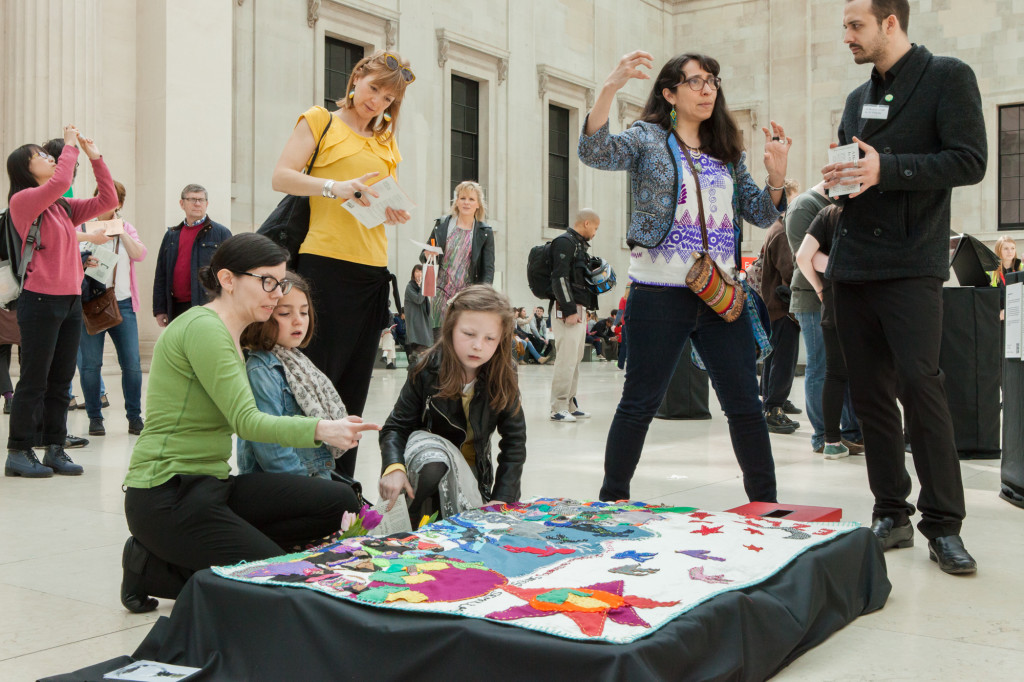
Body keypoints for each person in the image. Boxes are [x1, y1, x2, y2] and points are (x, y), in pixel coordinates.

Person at [120, 234, 376, 612]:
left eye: (281, 282)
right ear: (227, 279)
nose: (275, 294)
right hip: (167, 495)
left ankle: (188, 553)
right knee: (281, 581)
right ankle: (153, 564)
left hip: (211, 484)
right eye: (266, 281)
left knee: (336, 500)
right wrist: (322, 429)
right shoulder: (206, 328)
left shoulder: (231, 334)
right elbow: (247, 421)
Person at [579, 50, 791, 503]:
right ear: (670, 93)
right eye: (694, 81)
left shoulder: (727, 153)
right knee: (639, 404)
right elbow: (595, 151)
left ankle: (766, 504)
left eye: (712, 80)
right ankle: (612, 500)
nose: (707, 88)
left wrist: (776, 177)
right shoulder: (647, 138)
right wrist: (610, 87)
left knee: (745, 406)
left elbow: (761, 211)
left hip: (720, 294)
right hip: (659, 291)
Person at [821, 0, 987, 574]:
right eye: (845, 26)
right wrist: (840, 179)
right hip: (853, 263)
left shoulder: (948, 77)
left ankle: (943, 523)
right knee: (868, 396)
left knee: (922, 387)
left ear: (890, 22)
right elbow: (854, 172)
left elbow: (969, 161)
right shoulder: (854, 99)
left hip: (913, 262)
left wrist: (885, 169)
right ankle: (891, 510)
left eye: (855, 25)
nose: (846, 36)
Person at [271, 50, 413, 477]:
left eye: (388, 99)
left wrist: (392, 209)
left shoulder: (386, 141)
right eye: (374, 90)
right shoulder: (320, 119)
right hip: (323, 266)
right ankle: (305, 482)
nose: (377, 103)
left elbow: (380, 194)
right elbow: (281, 175)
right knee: (316, 382)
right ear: (356, 79)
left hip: (372, 271)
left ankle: (341, 487)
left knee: (354, 387)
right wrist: (336, 186)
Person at [4, 126, 117, 478]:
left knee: (60, 380)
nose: (50, 159)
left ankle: (55, 448)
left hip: (70, 301)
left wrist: (95, 156)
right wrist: (68, 147)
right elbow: (58, 180)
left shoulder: (62, 207)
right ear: (24, 168)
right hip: (39, 300)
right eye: (41, 155)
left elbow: (107, 201)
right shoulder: (22, 201)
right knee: (34, 380)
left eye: (50, 154)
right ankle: (19, 451)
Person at [378, 285, 525, 524]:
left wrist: (503, 498)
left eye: (490, 338)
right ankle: (412, 515)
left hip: (473, 472)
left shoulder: (504, 373)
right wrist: (393, 467)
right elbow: (395, 427)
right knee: (436, 462)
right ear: (450, 329)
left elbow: (514, 441)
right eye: (469, 334)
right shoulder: (426, 368)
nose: (478, 345)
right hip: (427, 466)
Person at [237, 272, 349, 480]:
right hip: (285, 483)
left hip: (312, 474)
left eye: (304, 312)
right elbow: (271, 451)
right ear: (264, 315)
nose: (298, 321)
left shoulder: (296, 361)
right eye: (285, 314)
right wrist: (313, 490)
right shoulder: (262, 370)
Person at [785, 182, 863, 455]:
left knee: (841, 370)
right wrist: (821, 289)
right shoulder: (806, 205)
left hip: (834, 297)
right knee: (822, 368)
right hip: (815, 297)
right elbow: (803, 256)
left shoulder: (833, 209)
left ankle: (848, 433)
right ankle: (823, 436)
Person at [77, 181, 147, 437]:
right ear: (95, 197)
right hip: (89, 304)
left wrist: (121, 231)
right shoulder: (82, 226)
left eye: (113, 199)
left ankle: (134, 417)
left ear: (119, 204)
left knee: (131, 364)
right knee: (90, 365)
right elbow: (66, 256)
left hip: (122, 304)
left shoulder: (127, 227)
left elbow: (139, 254)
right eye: (101, 196)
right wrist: (83, 261)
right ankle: (95, 417)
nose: (106, 202)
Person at [795, 205, 854, 460]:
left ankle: (831, 440)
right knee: (876, 374)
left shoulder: (828, 213)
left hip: (833, 304)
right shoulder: (873, 208)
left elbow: (802, 256)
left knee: (834, 373)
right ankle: (881, 438)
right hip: (869, 304)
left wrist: (820, 289)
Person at [547, 209, 601, 422]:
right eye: (595, 228)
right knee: (566, 359)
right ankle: (558, 406)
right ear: (586, 223)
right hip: (566, 309)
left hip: (579, 308)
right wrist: (569, 311)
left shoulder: (578, 245)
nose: (595, 233)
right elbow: (559, 278)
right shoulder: (565, 242)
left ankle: (569, 402)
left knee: (575, 359)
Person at [152, 184, 231, 326]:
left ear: (207, 204)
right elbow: (161, 274)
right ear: (182, 203)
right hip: (176, 306)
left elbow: (231, 271)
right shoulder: (171, 235)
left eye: (201, 200)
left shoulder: (221, 233)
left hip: (207, 305)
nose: (197, 203)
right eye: (192, 199)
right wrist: (160, 309)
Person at [759, 179, 802, 434]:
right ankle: (774, 408)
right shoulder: (784, 231)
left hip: (772, 305)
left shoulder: (774, 228)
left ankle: (771, 401)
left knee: (773, 357)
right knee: (784, 360)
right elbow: (789, 269)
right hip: (784, 306)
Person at [425, 180, 495, 336]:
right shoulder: (442, 224)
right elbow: (426, 254)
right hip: (440, 293)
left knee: (461, 338)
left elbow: (488, 269)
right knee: (439, 340)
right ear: (456, 201)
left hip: (466, 296)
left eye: (471, 199)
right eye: (462, 198)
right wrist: (427, 254)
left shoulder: (484, 232)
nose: (466, 203)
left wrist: (482, 296)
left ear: (478, 204)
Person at [404, 264, 432, 366]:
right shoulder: (410, 287)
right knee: (419, 344)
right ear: (413, 274)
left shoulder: (421, 286)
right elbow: (419, 299)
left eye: (421, 271)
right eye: (416, 271)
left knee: (423, 346)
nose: (419, 274)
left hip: (422, 320)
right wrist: (422, 288)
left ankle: (417, 365)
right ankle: (414, 366)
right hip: (415, 322)